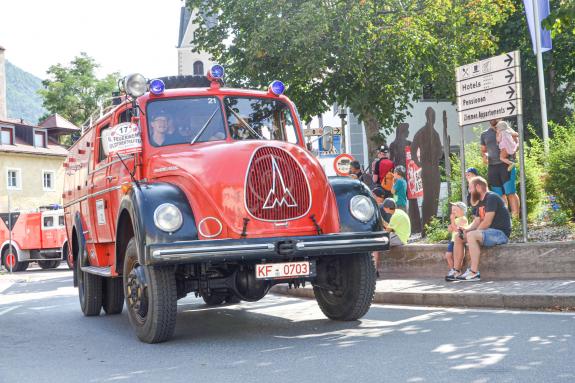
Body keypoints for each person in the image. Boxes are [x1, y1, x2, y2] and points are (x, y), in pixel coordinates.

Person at [453, 176, 511, 282]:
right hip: (486, 233)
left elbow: (487, 222)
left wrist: (472, 234)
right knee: (458, 237)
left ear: (478, 187)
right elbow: (476, 222)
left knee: (471, 235)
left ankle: (474, 272)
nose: (469, 191)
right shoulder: (479, 201)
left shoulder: (492, 197)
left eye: (470, 188)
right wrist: (466, 229)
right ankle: (456, 271)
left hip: (500, 233)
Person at [481, 119, 519, 217]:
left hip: (506, 164)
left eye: (495, 116)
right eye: (490, 117)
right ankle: (505, 219)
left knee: (510, 192)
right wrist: (484, 156)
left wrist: (511, 151)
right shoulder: (484, 134)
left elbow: (517, 144)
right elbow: (484, 150)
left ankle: (515, 220)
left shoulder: (506, 129)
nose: (492, 119)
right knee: (498, 195)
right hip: (492, 166)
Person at [444, 202, 469, 282]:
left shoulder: (463, 219)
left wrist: (452, 221)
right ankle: (453, 270)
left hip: (459, 241)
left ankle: (458, 271)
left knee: (457, 257)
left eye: (455, 209)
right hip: (453, 241)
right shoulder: (456, 219)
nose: (453, 211)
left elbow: (455, 229)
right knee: (448, 255)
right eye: (452, 209)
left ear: (461, 210)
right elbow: (450, 229)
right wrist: (452, 223)